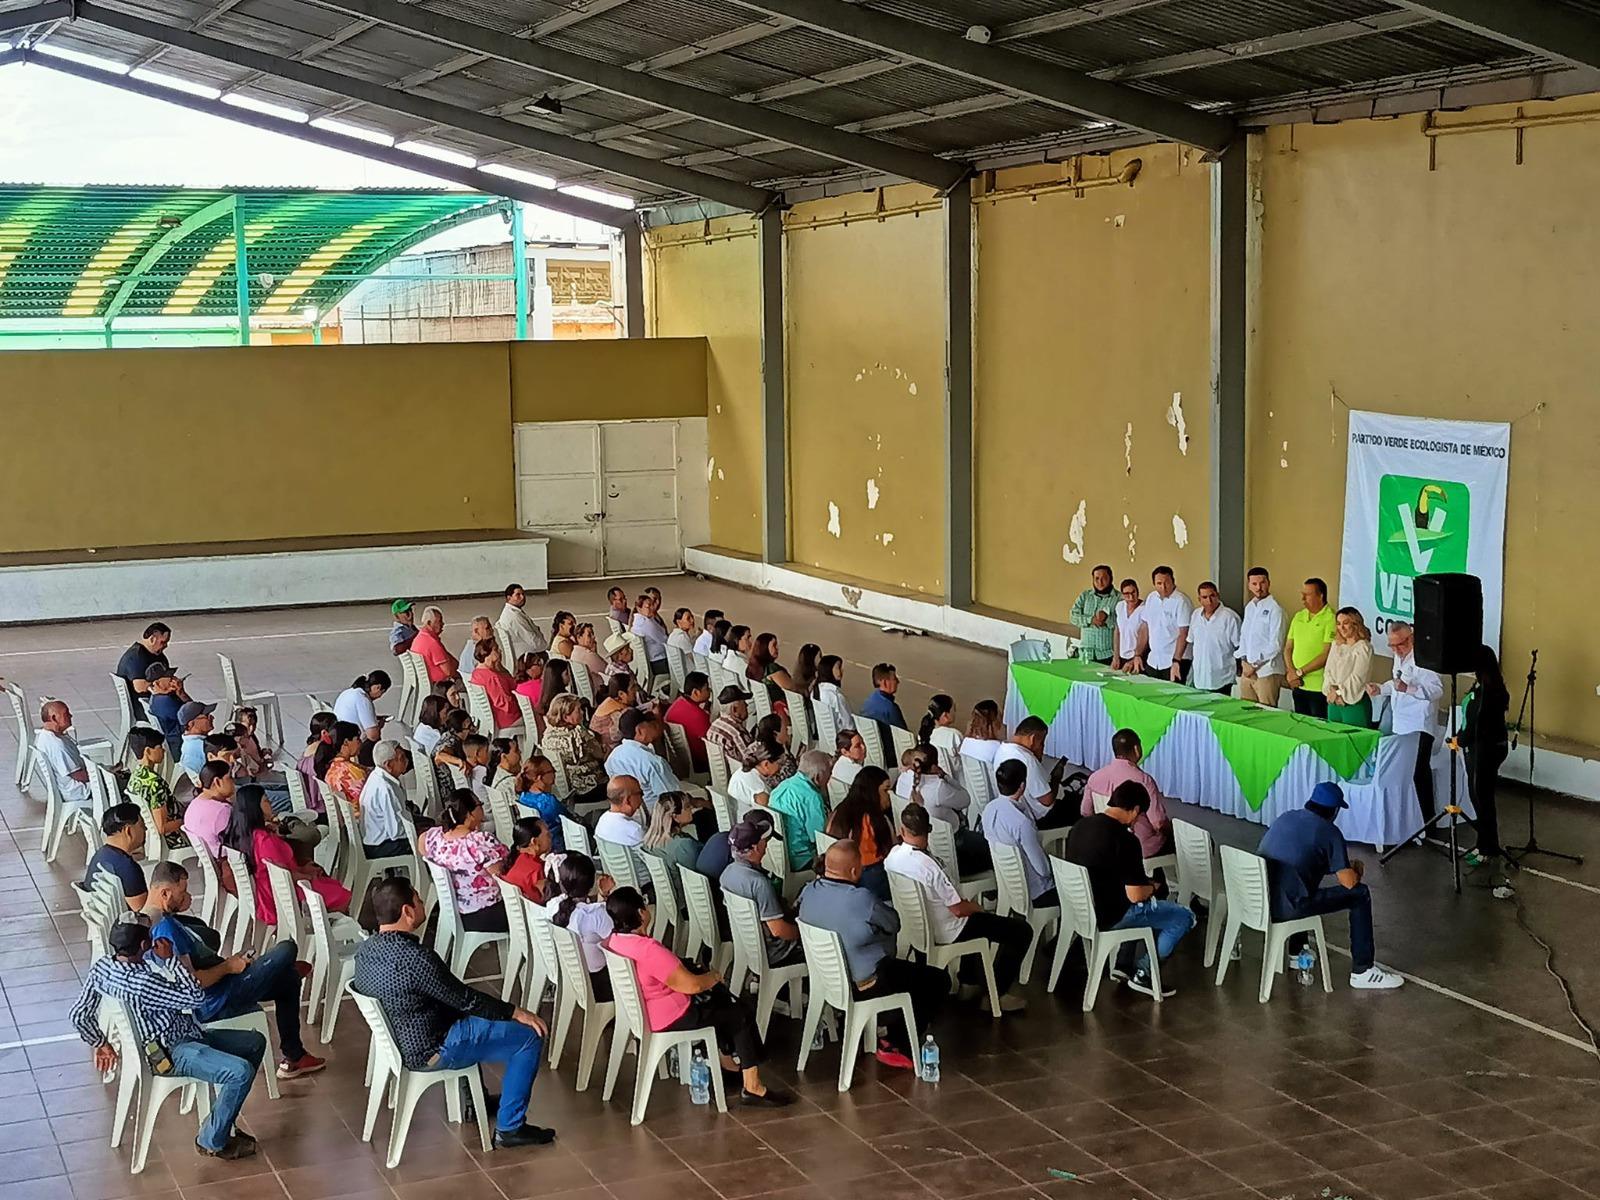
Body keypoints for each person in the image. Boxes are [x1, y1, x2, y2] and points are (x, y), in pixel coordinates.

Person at [354, 877, 553, 1147]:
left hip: (402, 1040)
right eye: (418, 899)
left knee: (473, 1020)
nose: (423, 904)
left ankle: (474, 1100)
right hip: (434, 1048)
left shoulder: (365, 950)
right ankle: (511, 1127)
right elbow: (465, 999)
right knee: (528, 1035)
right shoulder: (415, 958)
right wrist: (516, 1011)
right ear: (408, 912)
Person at [72, 922, 265, 1160]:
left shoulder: (103, 968)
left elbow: (78, 1014)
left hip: (180, 1038)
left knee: (255, 1042)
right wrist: (171, 960)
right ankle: (212, 1140)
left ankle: (222, 1124)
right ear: (144, 945)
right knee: (241, 1072)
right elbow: (196, 998)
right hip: (172, 1052)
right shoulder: (144, 983)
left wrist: (100, 1042)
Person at [602, 887, 791, 1105]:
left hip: (647, 1009)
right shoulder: (647, 948)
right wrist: (714, 976)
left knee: (721, 1004)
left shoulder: (615, 941)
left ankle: (728, 1064)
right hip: (672, 1014)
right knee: (739, 1012)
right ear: (641, 912)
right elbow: (691, 986)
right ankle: (753, 1086)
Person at [145, 861, 326, 1079]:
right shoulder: (165, 930)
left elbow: (208, 941)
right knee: (287, 948)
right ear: (165, 893)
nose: (186, 895)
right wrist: (228, 966)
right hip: (216, 1000)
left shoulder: (156, 919)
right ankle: (280, 974)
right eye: (182, 891)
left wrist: (229, 964)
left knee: (288, 982)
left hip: (221, 985)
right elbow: (194, 982)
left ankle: (294, 1056)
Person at [797, 840, 948, 1069]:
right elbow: (894, 923)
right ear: (855, 870)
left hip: (828, 981)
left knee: (908, 975)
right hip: (868, 984)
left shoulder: (809, 892)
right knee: (937, 980)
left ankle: (889, 1027)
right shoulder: (861, 899)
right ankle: (895, 1042)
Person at [1258, 783, 1404, 989]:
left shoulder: (1286, 817)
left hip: (1260, 900)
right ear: (1335, 811)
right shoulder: (1329, 832)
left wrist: (1340, 865)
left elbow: (1303, 860)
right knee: (1359, 895)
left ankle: (1296, 951)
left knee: (1300, 880)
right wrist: (1356, 870)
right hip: (1287, 908)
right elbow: (1349, 883)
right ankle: (1363, 970)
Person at [886, 805, 1031, 1013]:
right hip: (950, 929)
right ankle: (997, 994)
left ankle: (969, 982)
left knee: (979, 923)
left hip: (918, 927)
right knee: (1020, 931)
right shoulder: (929, 866)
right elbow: (958, 910)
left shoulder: (892, 858)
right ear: (929, 829)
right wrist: (977, 907)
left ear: (902, 830)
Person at [1064, 781, 1195, 998]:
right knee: (1182, 917)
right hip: (1111, 915)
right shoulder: (1126, 840)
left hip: (1080, 908)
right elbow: (1135, 895)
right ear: (1134, 810)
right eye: (1139, 814)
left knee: (1145, 908)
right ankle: (1145, 973)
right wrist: (1151, 888)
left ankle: (1123, 964)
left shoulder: (1080, 827)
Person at [223, 784, 351, 924]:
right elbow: (284, 875)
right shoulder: (264, 840)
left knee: (326, 880)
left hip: (270, 892)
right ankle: (337, 925)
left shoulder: (244, 836)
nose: (270, 803)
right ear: (255, 807)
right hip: (284, 895)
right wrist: (308, 875)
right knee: (341, 894)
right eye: (266, 800)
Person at [1367, 621, 1444, 820]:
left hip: (1419, 725)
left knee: (1419, 773)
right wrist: (1381, 689)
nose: (1395, 649)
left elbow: (1437, 690)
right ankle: (1408, 818)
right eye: (1391, 645)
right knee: (1403, 772)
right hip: (1400, 724)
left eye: (1398, 644)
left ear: (1410, 638)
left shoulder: (1424, 659)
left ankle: (1427, 820)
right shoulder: (1399, 657)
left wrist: (1408, 689)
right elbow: (1396, 683)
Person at [719, 818, 803, 966]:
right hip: (775, 952)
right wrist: (803, 935)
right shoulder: (758, 883)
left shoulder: (727, 873)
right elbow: (778, 930)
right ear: (756, 848)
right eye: (764, 840)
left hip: (750, 946)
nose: (766, 843)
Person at [422, 789, 509, 931]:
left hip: (456, 911)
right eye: (479, 805)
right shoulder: (479, 842)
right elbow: (502, 875)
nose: (482, 807)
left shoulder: (436, 837)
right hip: (486, 915)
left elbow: (421, 844)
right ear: (470, 814)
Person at [895, 746, 988, 873]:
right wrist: (944, 776)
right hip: (954, 849)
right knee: (990, 848)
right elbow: (966, 799)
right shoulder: (939, 788)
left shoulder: (903, 779)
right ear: (934, 766)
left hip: (922, 850)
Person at [1082, 729, 1172, 857]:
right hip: (1140, 846)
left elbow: (1086, 812)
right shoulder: (1143, 781)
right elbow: (1158, 823)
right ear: (1136, 749)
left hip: (1107, 843)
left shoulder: (1095, 777)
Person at [1458, 645, 1510, 866]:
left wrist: (1460, 740)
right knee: (1481, 798)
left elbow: (1478, 725)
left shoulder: (1487, 693)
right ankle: (1485, 843)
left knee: (1481, 799)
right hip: (1484, 748)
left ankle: (1487, 848)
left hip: (1484, 750)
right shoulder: (1484, 687)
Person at [982, 759, 1058, 907]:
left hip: (1008, 884)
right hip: (1037, 892)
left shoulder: (989, 809)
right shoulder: (1022, 823)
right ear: (1022, 786)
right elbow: (1043, 871)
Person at [545, 852, 615, 999]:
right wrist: (607, 898)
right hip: (600, 984)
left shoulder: (553, 906)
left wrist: (602, 896)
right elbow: (619, 941)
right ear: (591, 885)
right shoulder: (596, 915)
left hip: (571, 977)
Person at [825, 766, 894, 900]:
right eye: (885, 790)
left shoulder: (838, 811)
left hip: (838, 878)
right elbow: (890, 853)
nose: (889, 795)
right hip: (870, 878)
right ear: (872, 792)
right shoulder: (876, 820)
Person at [993, 716, 1071, 828]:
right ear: (1033, 739)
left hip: (1011, 812)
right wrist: (1056, 778)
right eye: (1042, 743)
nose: (1042, 748)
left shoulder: (1002, 749)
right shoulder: (1027, 760)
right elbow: (1047, 800)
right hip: (1036, 818)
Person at [766, 750, 831, 872]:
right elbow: (819, 838)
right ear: (818, 777)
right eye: (829, 774)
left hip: (776, 855)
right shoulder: (812, 797)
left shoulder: (782, 786)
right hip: (801, 860)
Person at [604, 709, 682, 809]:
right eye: (651, 725)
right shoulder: (653, 763)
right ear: (640, 731)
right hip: (656, 814)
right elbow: (673, 798)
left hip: (629, 812)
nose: (655, 728)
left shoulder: (613, 757)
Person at [542, 694, 609, 808]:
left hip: (564, 789)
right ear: (566, 716)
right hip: (588, 788)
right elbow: (600, 754)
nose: (582, 712)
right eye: (578, 710)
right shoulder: (578, 735)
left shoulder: (548, 735)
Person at [127, 727, 186, 848]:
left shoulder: (135, 777)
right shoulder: (155, 784)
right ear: (148, 751)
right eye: (160, 747)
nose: (164, 751)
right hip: (174, 837)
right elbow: (162, 827)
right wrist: (187, 820)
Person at [360, 739, 420, 859]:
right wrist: (418, 832)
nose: (406, 761)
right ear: (388, 765)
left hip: (375, 839)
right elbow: (396, 832)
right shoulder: (386, 788)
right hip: (383, 845)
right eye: (401, 758)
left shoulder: (377, 775)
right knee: (429, 840)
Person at [1285, 577, 1336, 717]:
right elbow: (1288, 648)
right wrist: (1291, 672)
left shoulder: (1331, 618)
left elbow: (1326, 654)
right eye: (1302, 594)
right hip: (1297, 683)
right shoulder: (1299, 616)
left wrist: (1300, 672)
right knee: (1300, 723)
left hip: (1318, 686)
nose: (1302, 598)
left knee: (1317, 725)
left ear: (1321, 596)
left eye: (1307, 595)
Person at [1236, 567, 1287, 706]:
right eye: (1254, 584)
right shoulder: (1250, 607)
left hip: (1267, 671)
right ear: (1248, 585)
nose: (1258, 587)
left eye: (1262, 583)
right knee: (1246, 711)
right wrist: (1244, 661)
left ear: (1268, 583)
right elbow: (1244, 637)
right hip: (1247, 671)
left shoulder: (1276, 609)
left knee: (1266, 713)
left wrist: (1254, 665)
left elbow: (1276, 644)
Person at [1132, 566, 1193, 682]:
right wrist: (1138, 654)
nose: (1163, 587)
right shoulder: (1151, 598)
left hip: (1175, 661)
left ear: (1173, 581)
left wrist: (1176, 661)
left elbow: (1184, 633)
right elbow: (1145, 627)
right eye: (1159, 583)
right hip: (1154, 660)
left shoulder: (1181, 601)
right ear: (1154, 584)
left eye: (1167, 583)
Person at [84, 803, 149, 910]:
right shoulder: (128, 868)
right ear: (128, 831)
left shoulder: (100, 855)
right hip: (126, 923)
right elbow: (144, 912)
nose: (145, 829)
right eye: (142, 826)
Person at [34, 699, 93, 809]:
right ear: (54, 718)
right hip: (79, 791)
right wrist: (102, 774)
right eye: (66, 714)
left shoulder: (44, 736)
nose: (71, 716)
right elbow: (79, 776)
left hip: (68, 788)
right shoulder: (57, 745)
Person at [1324, 607, 1375, 727]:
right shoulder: (1336, 645)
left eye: (1345, 623)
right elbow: (1328, 671)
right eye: (1338, 623)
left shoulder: (1364, 648)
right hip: (1334, 702)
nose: (1341, 627)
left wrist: (1339, 692)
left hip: (1354, 702)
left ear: (1355, 624)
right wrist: (1331, 691)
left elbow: (1358, 677)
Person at [115, 621, 185, 708]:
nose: (166, 646)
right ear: (152, 639)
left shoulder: (158, 656)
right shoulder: (135, 657)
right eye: (163, 642)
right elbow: (139, 687)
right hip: (144, 705)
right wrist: (161, 687)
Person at [1189, 581, 1242, 695]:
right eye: (1205, 597)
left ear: (1217, 595)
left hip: (1222, 678)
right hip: (1199, 677)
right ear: (1199, 599)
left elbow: (1239, 647)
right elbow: (1192, 641)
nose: (1209, 601)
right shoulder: (1195, 615)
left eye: (1212, 596)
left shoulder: (1230, 617)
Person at [595, 775, 649, 880]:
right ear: (628, 800)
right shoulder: (634, 830)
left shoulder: (602, 821)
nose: (642, 799)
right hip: (644, 886)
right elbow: (654, 861)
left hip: (617, 883)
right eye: (640, 794)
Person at [516, 756, 574, 851]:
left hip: (538, 843)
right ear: (538, 778)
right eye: (551, 771)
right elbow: (568, 818)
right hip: (557, 845)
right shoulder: (548, 801)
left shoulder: (523, 796)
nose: (555, 773)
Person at [183, 762, 236, 858]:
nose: (233, 782)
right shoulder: (222, 810)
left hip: (211, 858)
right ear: (217, 782)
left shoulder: (194, 804)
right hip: (227, 860)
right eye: (230, 778)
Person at [643, 792, 702, 876]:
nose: (691, 808)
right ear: (675, 817)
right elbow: (698, 873)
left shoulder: (649, 841)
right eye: (687, 807)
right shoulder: (683, 845)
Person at [1070, 565, 1119, 664]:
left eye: (1104, 578)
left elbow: (1124, 623)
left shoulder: (1119, 598)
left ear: (1111, 579)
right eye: (1097, 579)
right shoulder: (1085, 596)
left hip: (1108, 655)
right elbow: (1073, 616)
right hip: (1085, 654)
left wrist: (1106, 620)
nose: (1100, 582)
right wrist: (1090, 620)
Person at [665, 672, 713, 772]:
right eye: (707, 689)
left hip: (679, 758)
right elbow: (711, 746)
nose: (709, 692)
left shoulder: (678, 702)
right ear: (696, 692)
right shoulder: (699, 715)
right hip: (700, 762)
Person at [316, 721, 368, 812]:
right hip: (360, 817)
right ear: (346, 742)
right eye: (357, 739)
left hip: (344, 817)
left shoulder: (331, 766)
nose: (360, 742)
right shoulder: (352, 772)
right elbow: (368, 800)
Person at [470, 642, 523, 732]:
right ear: (487, 653)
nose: (499, 651)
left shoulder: (477, 672)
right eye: (496, 649)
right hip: (507, 718)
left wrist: (499, 666)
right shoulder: (492, 677)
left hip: (493, 718)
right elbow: (504, 704)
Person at [501, 817, 552, 902]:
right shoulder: (536, 869)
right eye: (548, 834)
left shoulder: (516, 856)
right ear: (534, 842)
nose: (551, 836)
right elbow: (548, 899)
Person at [334, 671, 391, 743]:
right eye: (382, 692)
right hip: (351, 743)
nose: (380, 697)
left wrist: (374, 718)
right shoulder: (363, 699)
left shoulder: (347, 692)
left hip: (339, 737)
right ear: (378, 687)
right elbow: (373, 736)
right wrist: (380, 725)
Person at [411, 606, 459, 689]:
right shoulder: (432, 642)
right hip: (440, 684)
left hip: (426, 682)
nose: (442, 624)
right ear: (429, 623)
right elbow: (449, 672)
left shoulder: (420, 638)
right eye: (439, 621)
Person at [497, 583, 548, 662]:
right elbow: (532, 640)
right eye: (518, 595)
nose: (522, 597)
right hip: (528, 657)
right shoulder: (514, 617)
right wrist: (547, 648)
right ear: (509, 598)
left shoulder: (512, 612)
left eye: (523, 594)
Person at [706, 687, 754, 767]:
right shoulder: (737, 733)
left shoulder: (713, 727)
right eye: (743, 702)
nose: (747, 705)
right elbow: (751, 761)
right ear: (734, 709)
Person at [145, 665, 187, 750]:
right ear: (157, 683)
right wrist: (181, 693)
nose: (174, 679)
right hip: (179, 741)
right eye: (169, 677)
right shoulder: (166, 701)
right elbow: (194, 715)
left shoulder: (156, 698)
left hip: (173, 737)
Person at [812, 654, 855, 734]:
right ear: (829, 670)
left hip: (824, 737)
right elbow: (849, 726)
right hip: (840, 738)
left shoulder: (816, 690)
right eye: (838, 667)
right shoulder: (836, 697)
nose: (842, 671)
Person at [178, 699, 219, 776]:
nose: (212, 718)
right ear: (191, 724)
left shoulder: (189, 744)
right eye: (206, 716)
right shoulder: (197, 750)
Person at [1110, 578, 1143, 673]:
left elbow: (1146, 639)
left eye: (1133, 593)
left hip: (1137, 658)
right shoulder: (1120, 606)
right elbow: (1117, 632)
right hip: (1121, 657)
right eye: (1127, 594)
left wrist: (1134, 660)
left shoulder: (1144, 609)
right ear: (1122, 595)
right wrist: (1116, 657)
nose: (1131, 597)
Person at [860, 663, 906, 730]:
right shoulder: (891, 708)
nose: (898, 681)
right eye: (894, 679)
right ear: (884, 682)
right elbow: (903, 733)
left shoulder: (868, 701)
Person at [630, 594, 669, 673]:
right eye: (648, 606)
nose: (652, 608)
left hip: (652, 659)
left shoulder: (639, 620)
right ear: (639, 608)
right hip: (658, 660)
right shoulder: (645, 623)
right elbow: (663, 639)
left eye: (652, 605)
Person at [569, 622, 608, 693]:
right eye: (589, 635)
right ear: (579, 637)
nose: (593, 637)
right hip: (598, 692)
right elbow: (607, 669)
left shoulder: (575, 652)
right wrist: (595, 653)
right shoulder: (587, 654)